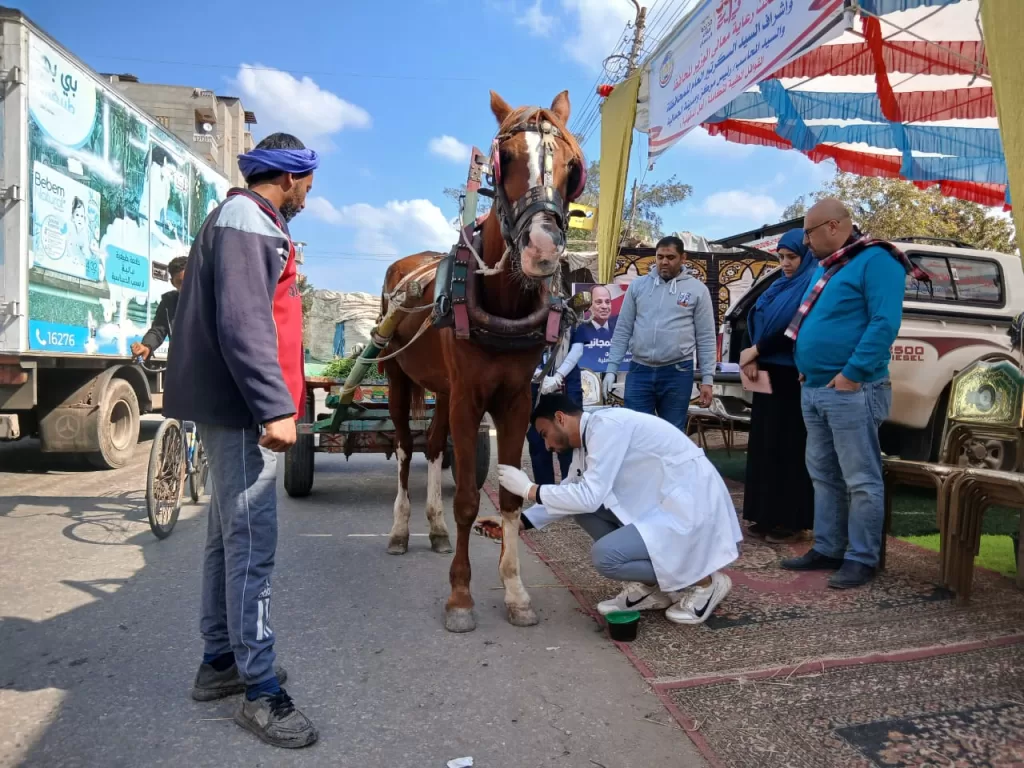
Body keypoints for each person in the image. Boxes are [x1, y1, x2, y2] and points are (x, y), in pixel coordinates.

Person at [164, 132, 319, 748]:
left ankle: (220, 662)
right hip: (243, 411)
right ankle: (259, 693)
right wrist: (275, 406)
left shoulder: (244, 219)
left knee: (225, 543)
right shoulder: (248, 220)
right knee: (251, 546)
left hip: (232, 408)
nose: (309, 193)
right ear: (288, 177)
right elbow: (244, 322)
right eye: (308, 181)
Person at [781, 198, 926, 589]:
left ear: (833, 226)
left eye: (808, 233)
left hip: (852, 389)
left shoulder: (877, 260)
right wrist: (806, 366)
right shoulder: (829, 266)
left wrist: (852, 374)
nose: (805, 242)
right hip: (814, 386)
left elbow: (884, 323)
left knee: (860, 478)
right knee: (824, 473)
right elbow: (815, 320)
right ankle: (828, 548)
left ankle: (861, 558)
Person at [497, 394, 743, 624]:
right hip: (660, 504)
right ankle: (652, 589)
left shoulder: (606, 427)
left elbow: (590, 497)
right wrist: (520, 522)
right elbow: (572, 489)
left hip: (691, 505)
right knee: (578, 508)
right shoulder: (587, 438)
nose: (547, 445)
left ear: (560, 418)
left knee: (606, 557)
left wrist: (530, 489)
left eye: (544, 434)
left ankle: (706, 581)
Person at [737, 230, 816, 542]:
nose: (785, 263)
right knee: (764, 443)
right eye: (781, 257)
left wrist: (755, 351)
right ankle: (764, 515)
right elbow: (755, 318)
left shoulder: (811, 284)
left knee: (790, 446)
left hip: (792, 374)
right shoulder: (778, 285)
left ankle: (790, 519)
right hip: (766, 370)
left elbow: (792, 328)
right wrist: (752, 356)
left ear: (805, 256)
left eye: (791, 257)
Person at [602, 236, 716, 432]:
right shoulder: (638, 286)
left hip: (677, 372)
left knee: (671, 435)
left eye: (670, 257)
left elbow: (706, 337)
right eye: (660, 256)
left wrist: (707, 379)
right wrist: (611, 369)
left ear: (683, 258)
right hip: (639, 371)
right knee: (635, 432)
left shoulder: (698, 290)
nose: (664, 261)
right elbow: (623, 329)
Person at [131, 256, 187, 361]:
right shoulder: (169, 303)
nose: (185, 287)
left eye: (189, 281)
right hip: (180, 367)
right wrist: (146, 346)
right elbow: (158, 330)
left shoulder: (209, 299)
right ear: (172, 283)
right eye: (180, 282)